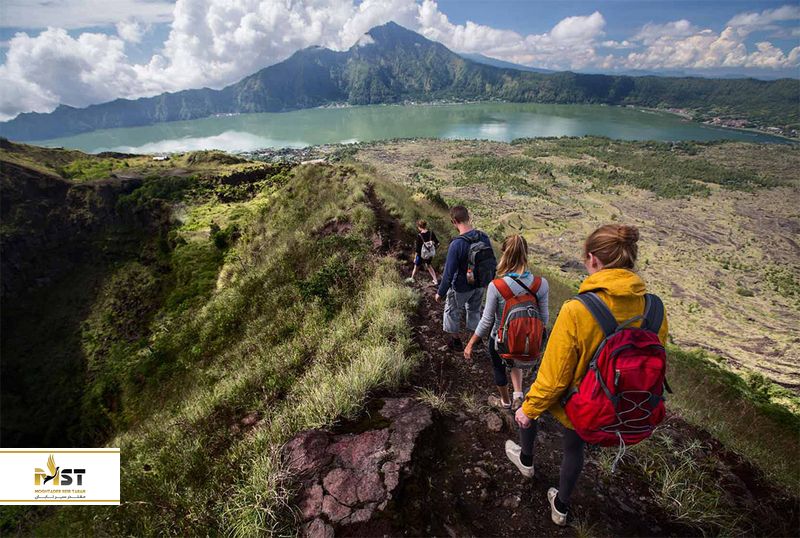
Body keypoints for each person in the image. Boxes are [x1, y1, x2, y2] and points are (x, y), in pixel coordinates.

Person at [507, 224, 668, 526]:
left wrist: (528, 411)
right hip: (622, 405)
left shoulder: (578, 310)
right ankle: (561, 507)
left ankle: (526, 460)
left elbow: (553, 378)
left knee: (532, 401)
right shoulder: (654, 308)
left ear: (593, 260)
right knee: (574, 447)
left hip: (580, 404)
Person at [463, 235, 549, 411]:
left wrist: (471, 343)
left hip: (499, 340)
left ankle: (505, 402)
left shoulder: (497, 285)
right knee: (516, 359)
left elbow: (486, 320)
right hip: (525, 340)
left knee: (499, 368)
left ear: (504, 254)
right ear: (526, 254)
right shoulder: (541, 284)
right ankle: (519, 394)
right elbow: (544, 318)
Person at [435, 206, 493, 351]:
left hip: (461, 287)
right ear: (468, 217)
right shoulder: (483, 237)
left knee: (451, 311)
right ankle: (476, 341)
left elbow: (449, 273)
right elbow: (490, 262)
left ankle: (455, 342)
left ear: (454, 221)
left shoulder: (457, 244)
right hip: (480, 285)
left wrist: (440, 293)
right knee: (474, 310)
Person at [410, 219, 439, 285]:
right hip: (429, 253)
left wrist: (415, 257)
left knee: (416, 266)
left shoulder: (419, 236)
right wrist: (432, 247)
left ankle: (412, 278)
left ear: (419, 227)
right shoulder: (431, 233)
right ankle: (435, 280)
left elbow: (417, 249)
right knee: (429, 266)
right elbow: (437, 243)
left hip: (421, 254)